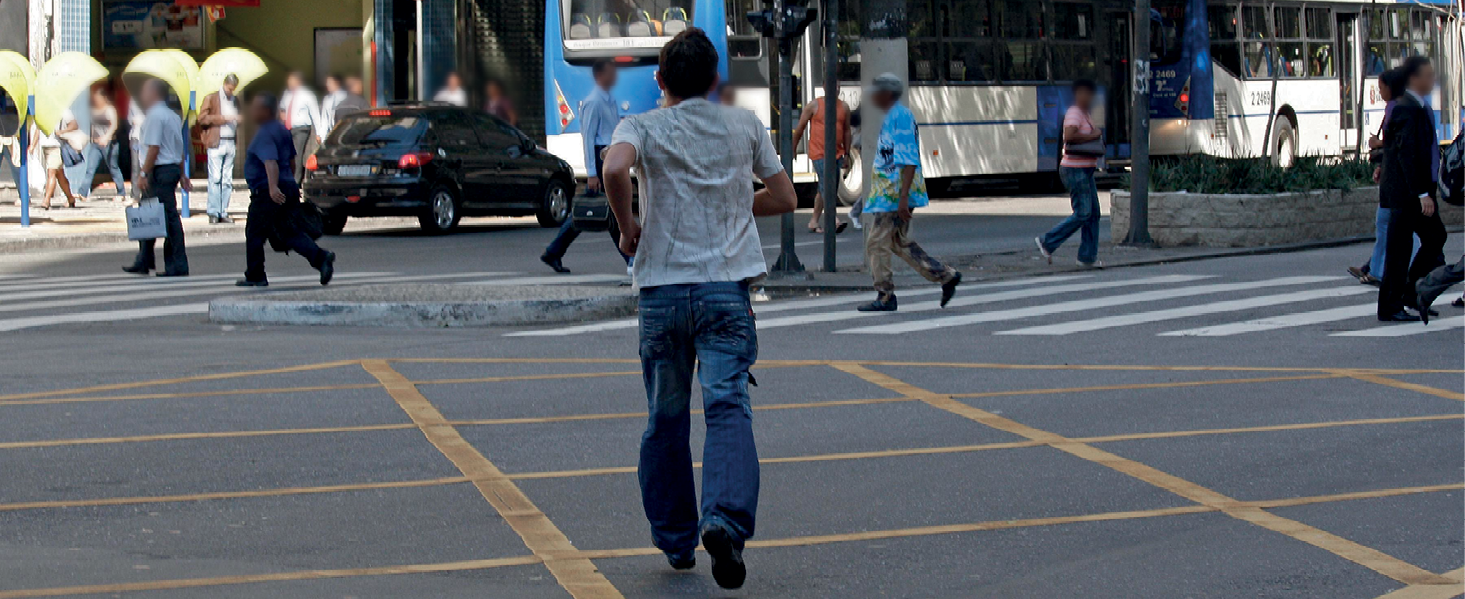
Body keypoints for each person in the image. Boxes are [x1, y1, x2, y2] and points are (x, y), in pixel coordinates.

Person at [602, 28, 797, 590]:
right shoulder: (744, 125)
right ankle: (725, 522)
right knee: (727, 408)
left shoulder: (641, 125)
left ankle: (676, 540)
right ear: (716, 81)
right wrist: (734, 200)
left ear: (660, 80)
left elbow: (616, 169)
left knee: (665, 419)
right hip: (724, 295)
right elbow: (785, 198)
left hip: (663, 296)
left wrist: (628, 224)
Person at [857, 73, 963, 312]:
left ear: (886, 93)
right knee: (898, 242)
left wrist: (903, 197)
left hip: (893, 194)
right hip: (890, 192)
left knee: (876, 243)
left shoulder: (900, 116)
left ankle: (885, 295)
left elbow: (909, 158)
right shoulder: (894, 116)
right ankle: (945, 275)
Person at [237, 94, 335, 288]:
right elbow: (291, 161)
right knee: (290, 232)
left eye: (256, 108)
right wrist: (289, 183)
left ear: (265, 111)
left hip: (267, 191)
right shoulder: (282, 130)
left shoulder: (265, 133)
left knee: (255, 232)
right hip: (286, 186)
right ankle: (320, 257)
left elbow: (270, 162)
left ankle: (256, 274)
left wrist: (273, 187)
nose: (252, 112)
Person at [540, 60, 629, 274]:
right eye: (610, 72)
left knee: (600, 210)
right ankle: (631, 258)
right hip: (599, 158)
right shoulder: (593, 102)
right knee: (609, 210)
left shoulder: (610, 100)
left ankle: (554, 251)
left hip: (608, 155)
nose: (614, 76)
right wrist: (591, 173)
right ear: (600, 75)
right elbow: (588, 138)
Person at [1378, 56, 1447, 322]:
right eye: (1427, 76)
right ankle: (1391, 305)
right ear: (1413, 79)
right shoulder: (1406, 107)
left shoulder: (1416, 106)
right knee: (1399, 250)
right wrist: (1421, 193)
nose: (1432, 81)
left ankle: (1410, 292)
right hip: (1407, 194)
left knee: (1435, 238)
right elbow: (1407, 154)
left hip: (1415, 192)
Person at [1350, 68, 1417, 287]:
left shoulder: (1398, 110)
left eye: (1381, 87)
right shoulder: (1398, 107)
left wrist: (1379, 145)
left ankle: (1381, 270)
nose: (1380, 92)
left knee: (1392, 226)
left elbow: (1400, 146)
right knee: (1391, 226)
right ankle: (1377, 268)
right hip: (1392, 177)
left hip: (1396, 182)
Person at [123, 79, 189, 277]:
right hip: (170, 169)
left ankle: (176, 264)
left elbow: (154, 148)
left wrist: (143, 173)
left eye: (144, 92)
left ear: (154, 94)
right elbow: (178, 148)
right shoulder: (173, 116)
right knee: (148, 214)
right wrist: (183, 174)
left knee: (168, 218)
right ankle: (144, 259)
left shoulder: (154, 116)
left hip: (158, 171)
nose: (142, 96)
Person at [1037, 79, 1104, 268]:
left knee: (1093, 214)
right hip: (1075, 169)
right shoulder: (1074, 112)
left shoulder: (1085, 113)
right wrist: (1094, 135)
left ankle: (1087, 257)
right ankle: (1048, 242)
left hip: (1085, 169)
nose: (1086, 97)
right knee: (1083, 212)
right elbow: (1069, 136)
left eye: (1088, 94)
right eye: (1082, 93)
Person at [791, 94, 851, 234]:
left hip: (836, 153)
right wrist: (793, 148)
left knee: (826, 188)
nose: (836, 88)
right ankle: (834, 219)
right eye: (833, 85)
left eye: (838, 85)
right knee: (826, 184)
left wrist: (847, 154)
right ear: (825, 86)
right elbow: (800, 127)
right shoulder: (814, 105)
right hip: (818, 153)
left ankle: (814, 221)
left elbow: (847, 131)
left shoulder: (844, 107)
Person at [198, 73, 243, 224]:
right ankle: (213, 211)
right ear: (225, 85)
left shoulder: (235, 100)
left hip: (230, 141)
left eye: (233, 89)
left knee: (227, 180)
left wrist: (238, 119)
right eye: (229, 89)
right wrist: (224, 118)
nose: (231, 92)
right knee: (215, 178)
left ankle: (223, 211)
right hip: (216, 142)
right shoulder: (211, 98)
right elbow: (202, 119)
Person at [82, 85, 128, 200]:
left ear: (103, 98)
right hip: (96, 144)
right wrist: (90, 138)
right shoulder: (93, 110)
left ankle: (121, 193)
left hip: (109, 144)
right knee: (90, 169)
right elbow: (93, 126)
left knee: (113, 168)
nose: (96, 100)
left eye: (98, 97)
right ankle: (82, 193)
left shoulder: (109, 109)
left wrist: (106, 137)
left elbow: (114, 125)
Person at [280, 71, 324, 183]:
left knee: (297, 154)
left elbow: (315, 114)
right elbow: (282, 108)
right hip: (288, 128)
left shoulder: (307, 95)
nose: (289, 83)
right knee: (287, 155)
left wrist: (319, 133)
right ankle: (288, 178)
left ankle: (296, 181)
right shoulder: (287, 94)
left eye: (291, 80)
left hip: (302, 129)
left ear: (298, 81)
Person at [36, 111, 77, 210]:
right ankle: (71, 198)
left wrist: (62, 131)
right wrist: (33, 144)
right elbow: (38, 128)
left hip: (56, 146)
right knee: (60, 175)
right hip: (45, 146)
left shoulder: (62, 109)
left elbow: (74, 124)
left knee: (51, 172)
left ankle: (46, 201)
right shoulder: (43, 109)